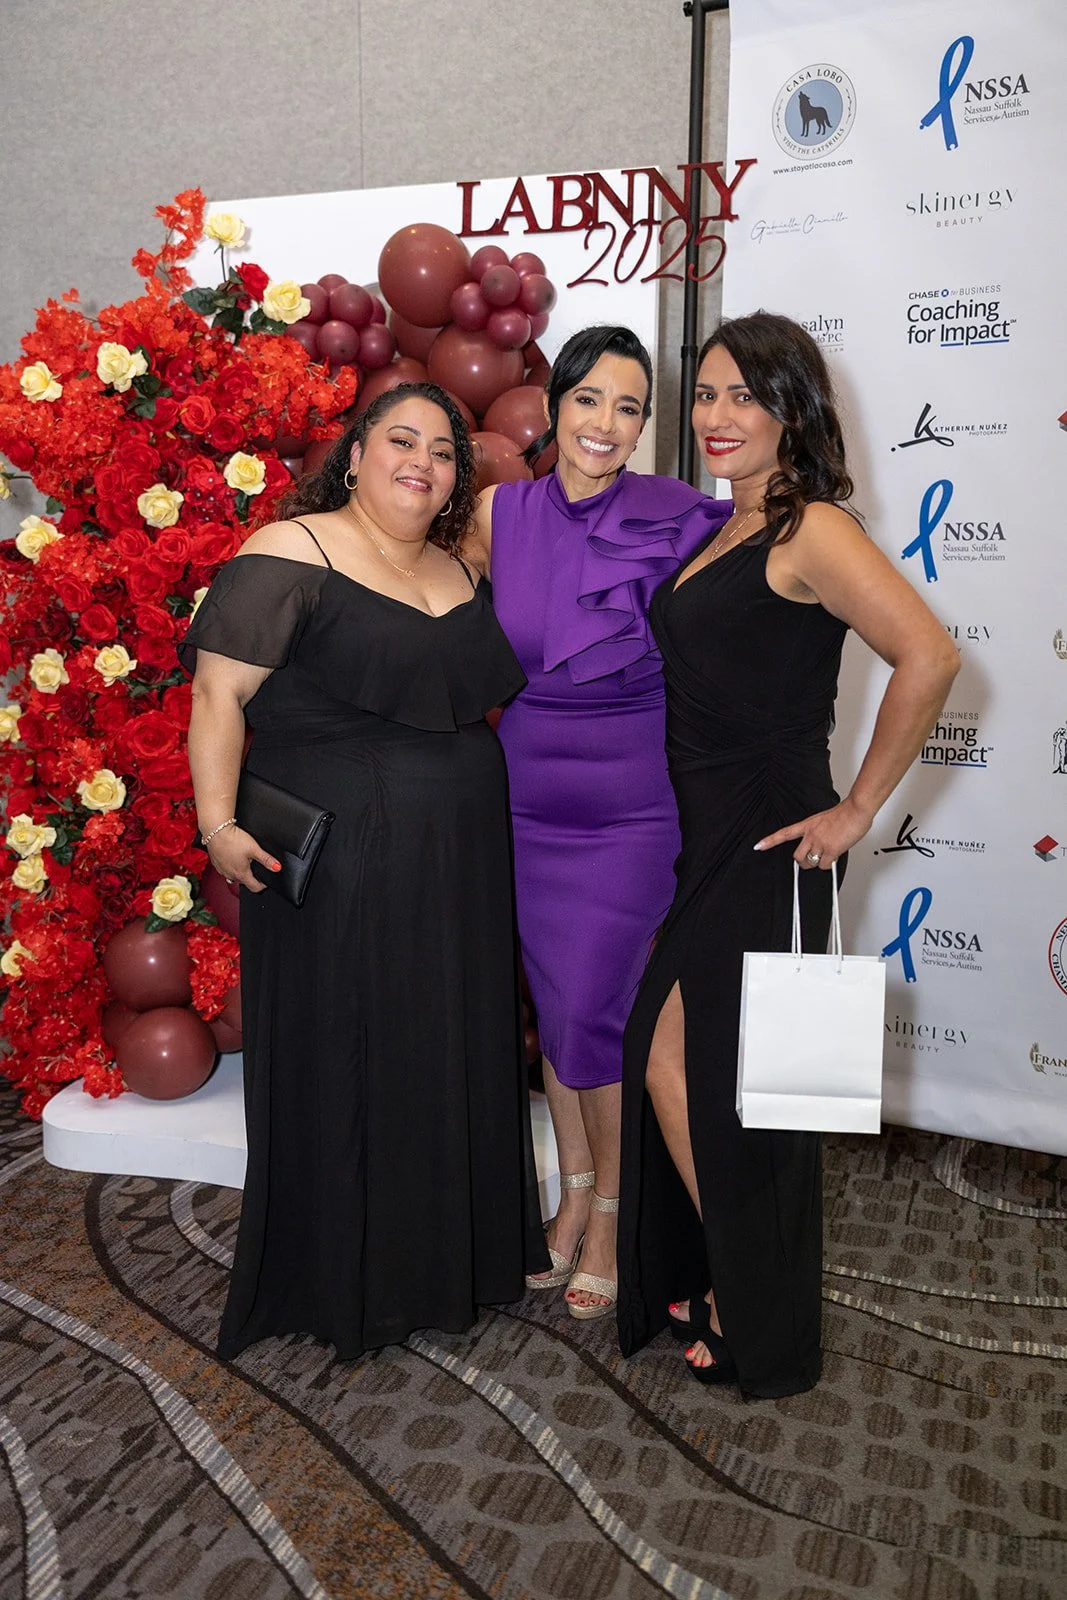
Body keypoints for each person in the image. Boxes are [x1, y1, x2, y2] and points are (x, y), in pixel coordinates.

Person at [617, 313, 960, 1396]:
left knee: (724, 1080)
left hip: (771, 832)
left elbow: (928, 654)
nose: (716, 417)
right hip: (705, 831)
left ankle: (752, 1306)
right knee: (678, 1063)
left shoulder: (809, 526)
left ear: (789, 410)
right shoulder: (724, 526)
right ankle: (731, 1272)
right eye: (705, 395)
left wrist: (857, 805)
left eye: (742, 397)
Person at [181, 382, 547, 1359]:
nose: (419, 459)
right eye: (399, 439)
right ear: (354, 454)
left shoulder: (456, 566)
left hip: (458, 858)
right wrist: (216, 823)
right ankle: (346, 1281)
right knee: (349, 1053)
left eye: (439, 448)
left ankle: (446, 1263)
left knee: (444, 1044)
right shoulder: (287, 552)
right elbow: (218, 696)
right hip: (341, 858)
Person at [464, 327, 730, 1319]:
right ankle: (572, 1191)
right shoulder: (499, 512)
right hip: (524, 798)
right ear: (554, 404)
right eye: (589, 401)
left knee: (599, 1015)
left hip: (632, 808)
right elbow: (425, 610)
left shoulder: (681, 518)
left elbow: (750, 612)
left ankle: (613, 1215)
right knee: (552, 1002)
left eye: (628, 408)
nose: (605, 425)